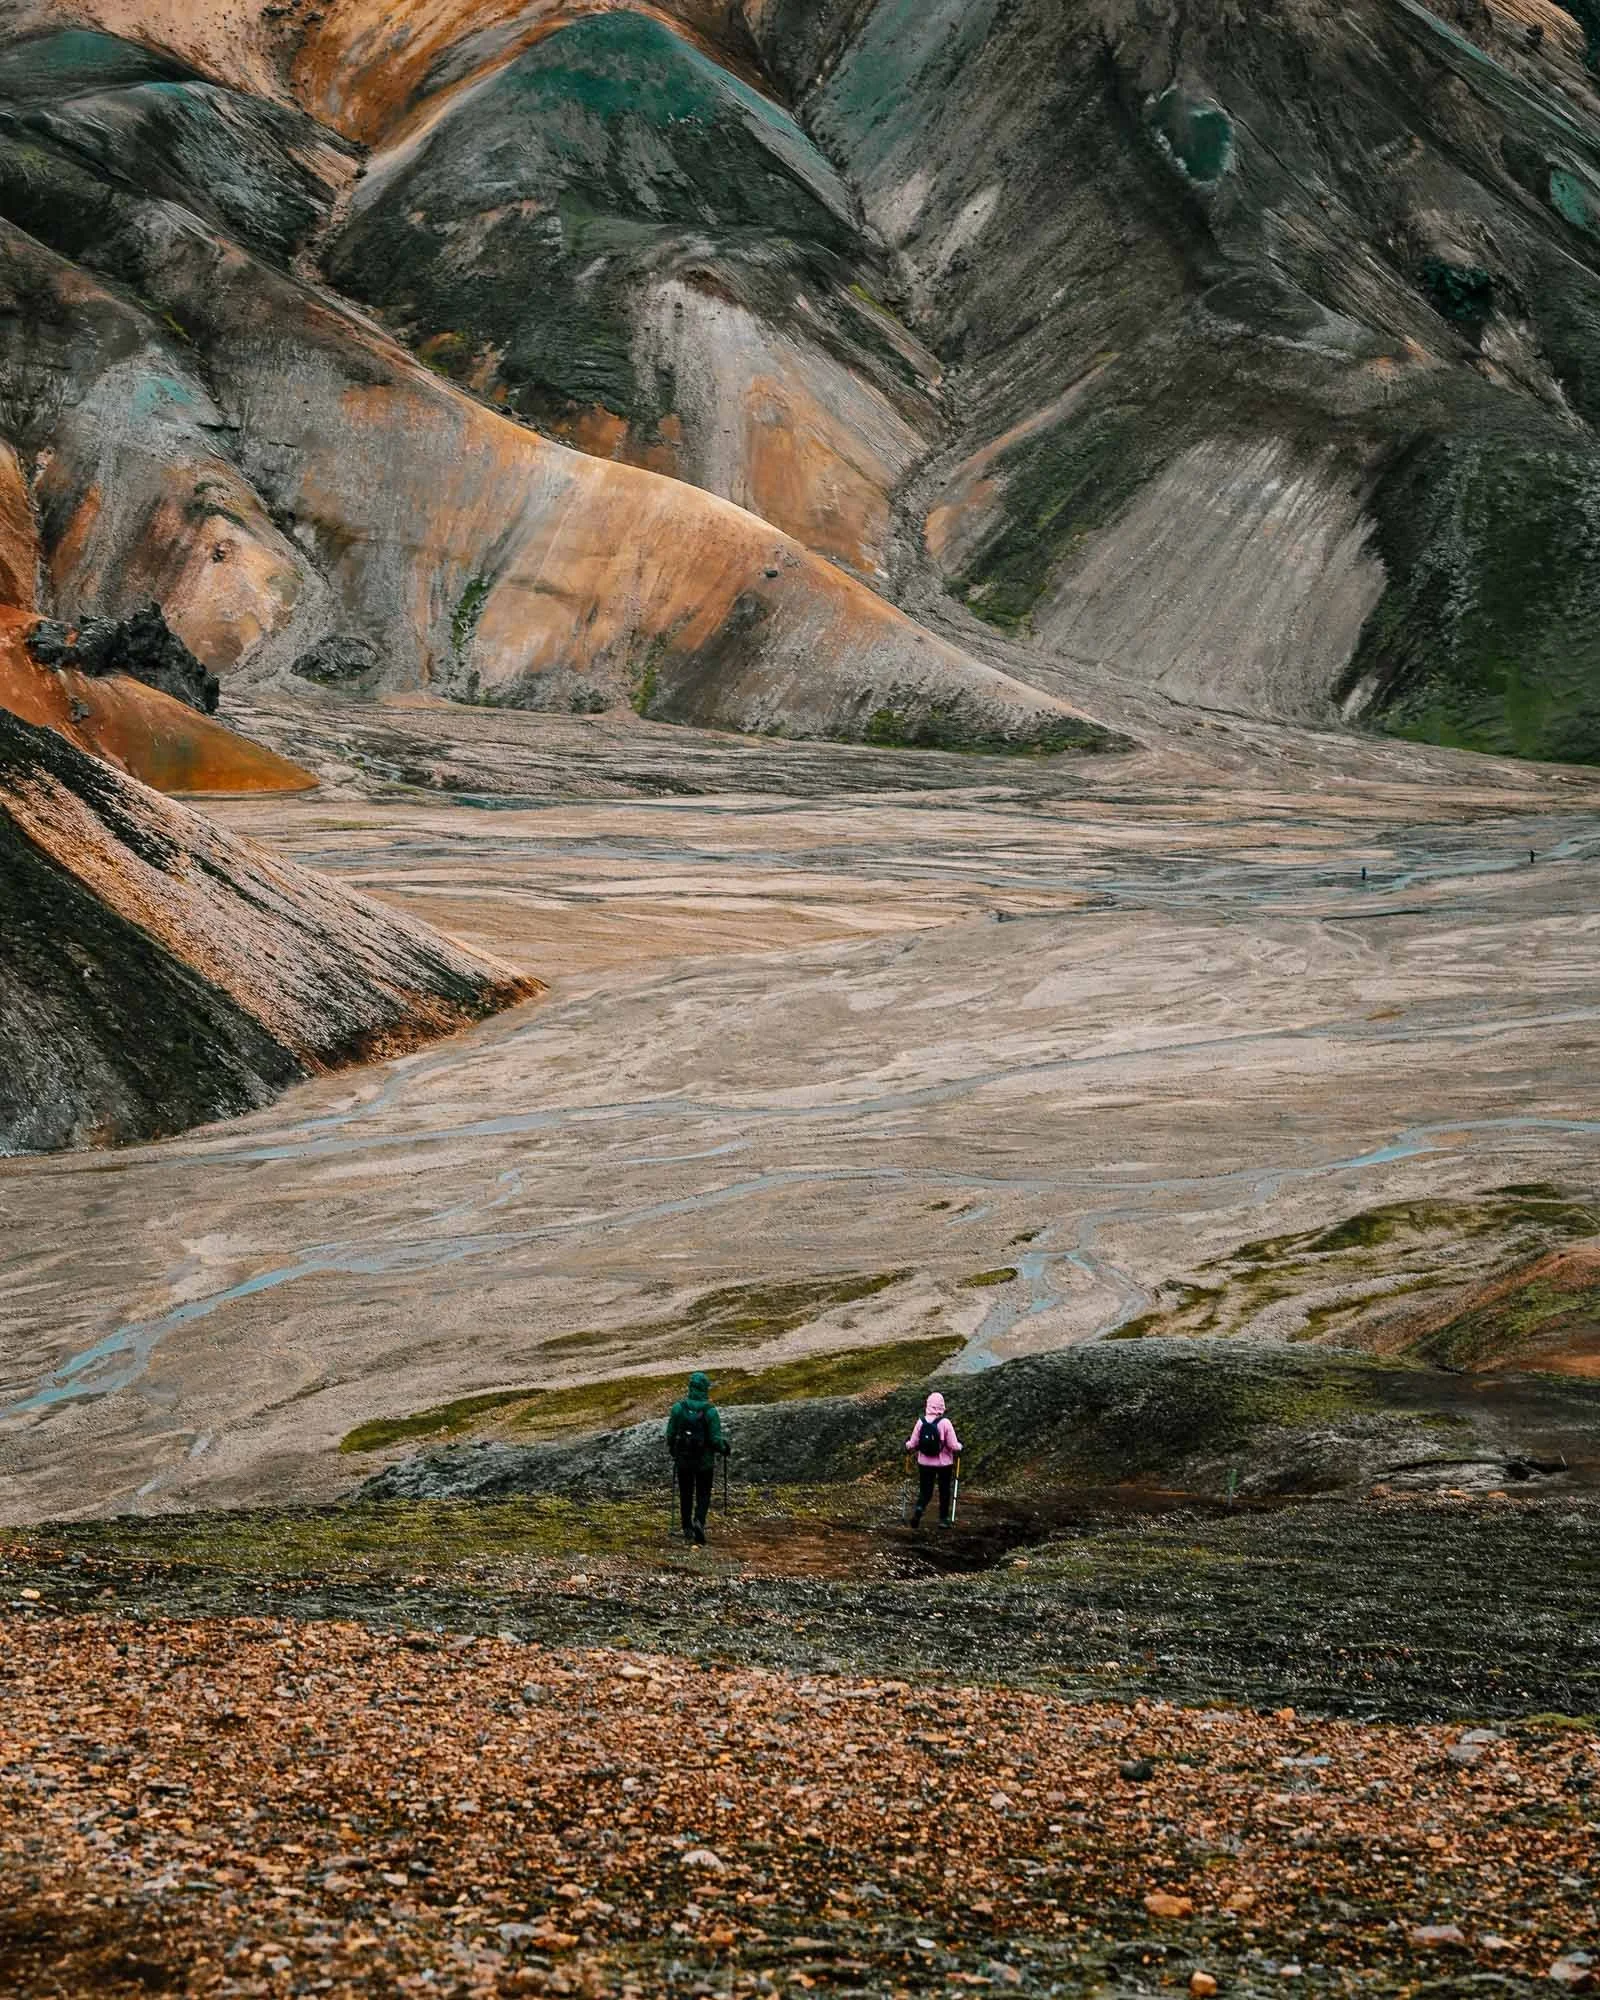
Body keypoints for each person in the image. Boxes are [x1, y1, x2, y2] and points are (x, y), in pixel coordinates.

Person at [666, 1370, 729, 1546]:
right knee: (703, 1493)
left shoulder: (679, 1408)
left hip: (683, 1460)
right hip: (704, 1461)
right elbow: (715, 1439)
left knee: (686, 1492)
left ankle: (686, 1527)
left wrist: (674, 1451)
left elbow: (670, 1433)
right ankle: (699, 1521)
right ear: (705, 1388)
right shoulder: (710, 1411)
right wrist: (724, 1448)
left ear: (690, 1387)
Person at [904, 1390, 962, 1529]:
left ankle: (919, 1509)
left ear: (928, 1405)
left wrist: (907, 1445)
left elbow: (913, 1443)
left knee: (925, 1490)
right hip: (944, 1464)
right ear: (942, 1406)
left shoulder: (921, 1422)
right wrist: (960, 1447)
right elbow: (953, 1445)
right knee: (944, 1490)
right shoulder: (945, 1423)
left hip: (924, 1463)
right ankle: (943, 1519)